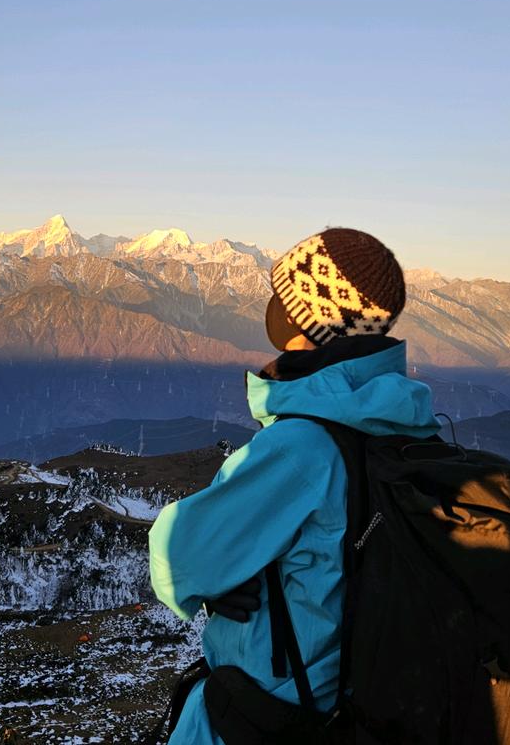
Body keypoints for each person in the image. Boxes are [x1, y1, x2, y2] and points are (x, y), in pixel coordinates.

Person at [147, 227, 434, 745]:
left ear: (307, 319)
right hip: (349, 704)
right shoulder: (403, 424)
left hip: (267, 712)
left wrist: (219, 578)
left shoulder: (301, 447)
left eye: (282, 294)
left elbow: (179, 555)